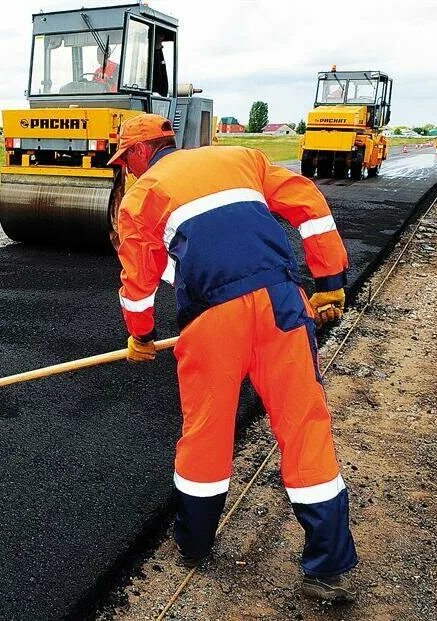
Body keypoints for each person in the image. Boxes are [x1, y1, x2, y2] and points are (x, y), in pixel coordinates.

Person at [109, 114, 359, 603]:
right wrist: (329, 284)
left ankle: (195, 543)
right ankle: (329, 565)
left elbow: (138, 286)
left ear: (140, 153)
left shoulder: (142, 197)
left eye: (126, 162)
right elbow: (309, 204)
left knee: (206, 431)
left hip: (213, 320)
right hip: (283, 304)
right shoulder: (241, 158)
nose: (128, 172)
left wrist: (140, 336)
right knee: (304, 425)